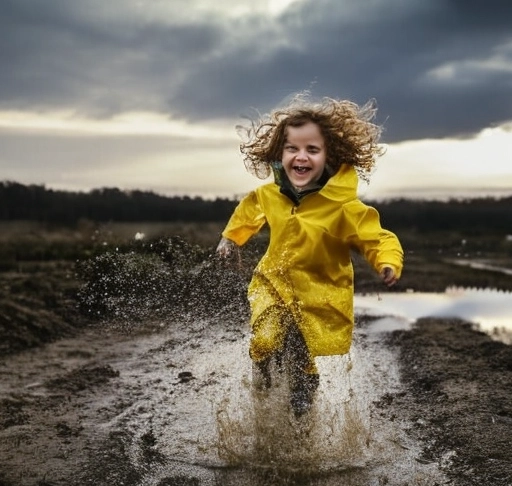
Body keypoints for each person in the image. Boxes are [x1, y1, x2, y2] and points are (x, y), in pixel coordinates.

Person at [216, 93, 403, 418]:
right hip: (272, 283)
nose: (300, 157)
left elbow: (376, 237)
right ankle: (262, 376)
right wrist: (230, 239)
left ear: (330, 155)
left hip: (317, 294)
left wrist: (387, 261)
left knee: (302, 347)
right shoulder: (270, 194)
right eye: (292, 149)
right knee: (264, 339)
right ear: (280, 152)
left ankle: (305, 389)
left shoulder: (343, 207)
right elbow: (251, 209)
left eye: (312, 150)